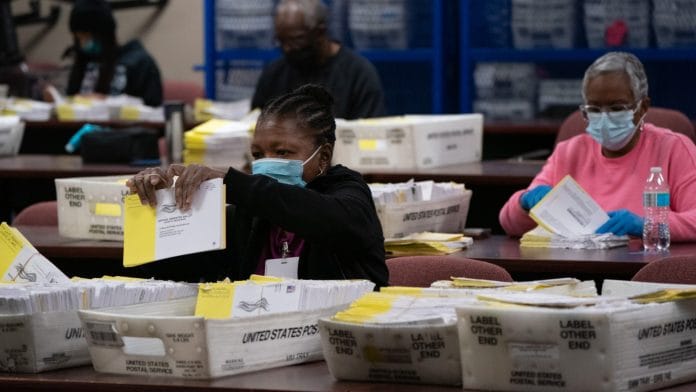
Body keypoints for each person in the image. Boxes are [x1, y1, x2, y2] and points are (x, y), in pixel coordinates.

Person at [127, 84, 389, 287]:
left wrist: (233, 182)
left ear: (323, 157)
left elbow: (322, 216)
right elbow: (169, 269)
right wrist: (156, 208)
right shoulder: (250, 213)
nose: (267, 163)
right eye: (258, 155)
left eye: (283, 152)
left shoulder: (350, 195)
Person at [499, 52, 696, 241]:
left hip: (643, 269)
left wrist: (648, 224)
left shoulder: (673, 149)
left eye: (617, 108)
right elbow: (509, 224)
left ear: (642, 108)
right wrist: (524, 201)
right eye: (594, 109)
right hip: (576, 267)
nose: (604, 118)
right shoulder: (569, 152)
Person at [251, 0, 386, 120]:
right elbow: (256, 125)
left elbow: (368, 131)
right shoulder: (274, 74)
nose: (287, 48)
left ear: (320, 32)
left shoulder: (358, 73)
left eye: (295, 40)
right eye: (281, 41)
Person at [52, 0, 162, 106]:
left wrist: (105, 101)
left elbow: (153, 107)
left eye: (87, 36)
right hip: (79, 124)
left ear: (105, 33)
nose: (83, 43)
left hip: (123, 124)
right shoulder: (81, 61)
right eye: (79, 38)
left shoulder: (139, 62)